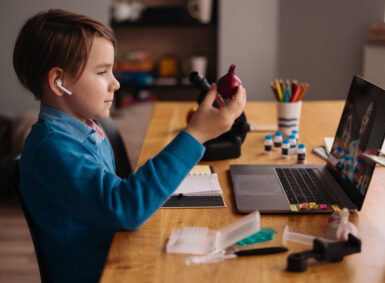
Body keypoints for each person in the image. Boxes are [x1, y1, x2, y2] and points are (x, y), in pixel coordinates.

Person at [13, 9, 246, 283]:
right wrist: (195, 134)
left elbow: (116, 198)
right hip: (104, 273)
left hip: (118, 252)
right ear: (58, 82)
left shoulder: (86, 126)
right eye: (102, 72)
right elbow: (124, 207)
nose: (116, 83)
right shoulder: (52, 149)